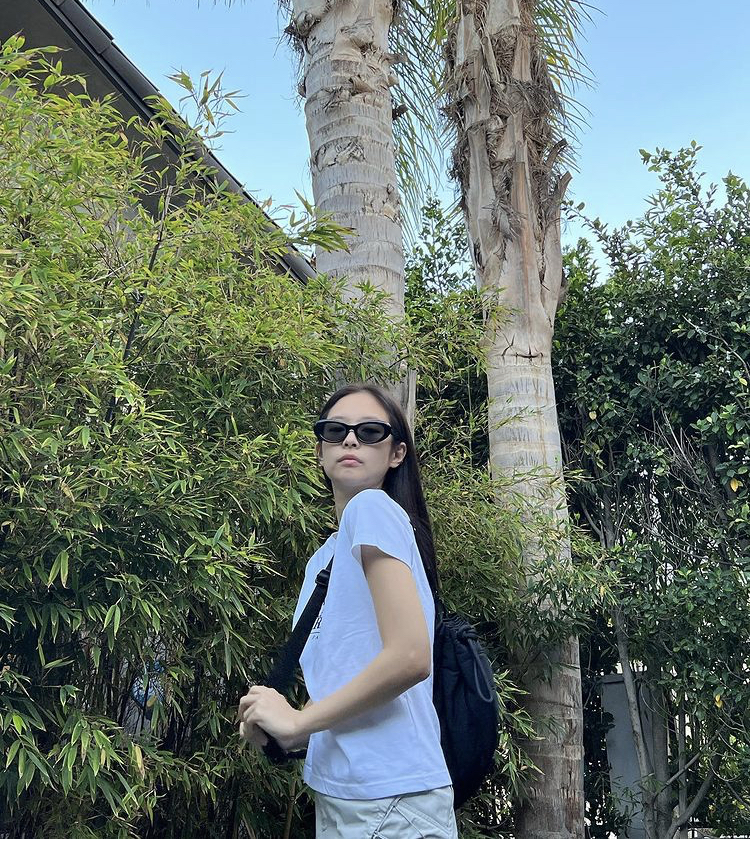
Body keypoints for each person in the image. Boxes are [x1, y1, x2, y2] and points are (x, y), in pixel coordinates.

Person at [237, 383, 458, 839]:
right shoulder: (324, 560)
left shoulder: (372, 509)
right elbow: (340, 683)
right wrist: (285, 728)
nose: (351, 440)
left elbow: (410, 657)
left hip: (390, 797)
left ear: (396, 454)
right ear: (320, 451)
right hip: (344, 794)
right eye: (335, 431)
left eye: (370, 431)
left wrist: (299, 721)